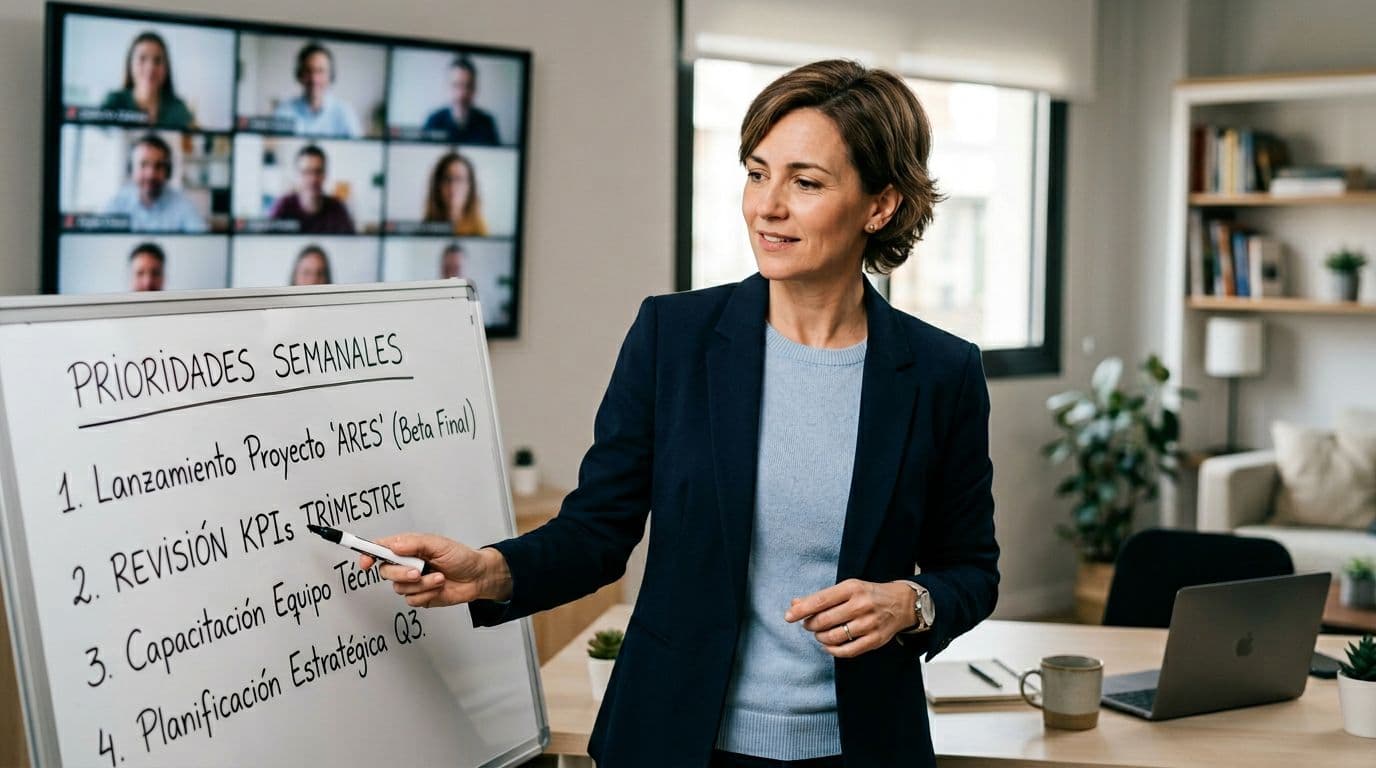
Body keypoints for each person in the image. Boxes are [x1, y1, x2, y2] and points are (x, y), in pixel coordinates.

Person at [362, 60, 998, 768]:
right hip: (675, 740)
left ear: (880, 207)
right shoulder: (674, 336)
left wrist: (912, 602)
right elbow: (598, 532)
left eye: (805, 182)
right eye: (757, 173)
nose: (767, 206)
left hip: (861, 747)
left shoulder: (943, 372)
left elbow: (971, 567)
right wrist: (487, 570)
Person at [103, 134, 208, 232]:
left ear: (168, 171)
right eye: (143, 165)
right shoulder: (116, 204)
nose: (150, 175)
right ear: (131, 169)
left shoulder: (184, 205)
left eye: (158, 166)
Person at [100, 31, 195, 129]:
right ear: (130, 65)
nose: (150, 67)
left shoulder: (177, 108)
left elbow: (200, 140)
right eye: (142, 58)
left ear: (166, 68)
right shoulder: (114, 102)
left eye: (157, 60)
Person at [274, 42, 363, 138]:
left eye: (320, 71)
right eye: (308, 71)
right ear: (299, 75)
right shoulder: (284, 111)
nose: (314, 79)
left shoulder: (345, 113)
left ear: (331, 76)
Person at [267, 145, 356, 234]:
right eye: (306, 172)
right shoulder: (283, 206)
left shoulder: (337, 208)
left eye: (318, 171)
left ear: (325, 174)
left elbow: (350, 244)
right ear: (297, 175)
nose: (313, 179)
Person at [421, 56, 499, 145]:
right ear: (447, 87)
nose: (461, 94)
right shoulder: (433, 121)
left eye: (468, 86)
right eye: (456, 85)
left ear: (475, 89)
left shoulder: (487, 123)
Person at [423, 151, 487, 236]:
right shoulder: (424, 230)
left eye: (459, 179)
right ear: (437, 186)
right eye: (447, 179)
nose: (452, 186)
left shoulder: (480, 231)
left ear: (470, 187)